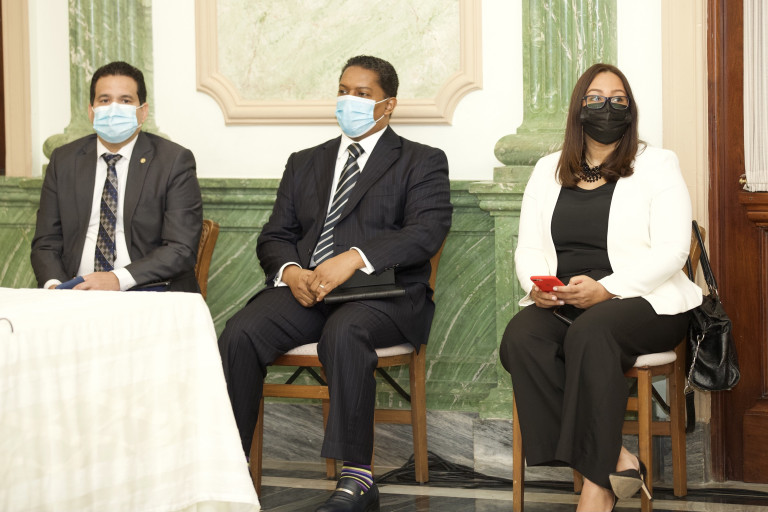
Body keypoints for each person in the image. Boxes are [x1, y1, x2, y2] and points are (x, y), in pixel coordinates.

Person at [218, 55, 452, 512]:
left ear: (388, 104)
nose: (349, 101)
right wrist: (292, 272)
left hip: (383, 294)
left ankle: (357, 477)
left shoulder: (421, 160)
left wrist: (355, 258)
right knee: (240, 332)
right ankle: (228, 466)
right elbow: (275, 235)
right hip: (308, 291)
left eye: (363, 94)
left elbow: (426, 232)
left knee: (344, 332)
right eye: (344, 91)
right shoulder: (305, 162)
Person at [498, 63, 702, 512]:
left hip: (646, 300)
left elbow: (672, 250)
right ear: (578, 108)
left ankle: (598, 486)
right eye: (595, 98)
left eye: (618, 99)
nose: (606, 107)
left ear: (630, 110)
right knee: (521, 338)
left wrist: (607, 289)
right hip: (567, 299)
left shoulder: (657, 164)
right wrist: (538, 287)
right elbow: (528, 247)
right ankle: (616, 459)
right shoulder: (548, 169)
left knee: (591, 332)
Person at [31, 61, 203, 293]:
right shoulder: (63, 160)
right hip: (75, 293)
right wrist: (56, 287)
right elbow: (46, 243)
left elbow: (180, 248)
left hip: (149, 290)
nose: (113, 108)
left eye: (125, 100)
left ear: (143, 111)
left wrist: (116, 279)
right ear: (91, 111)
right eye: (104, 100)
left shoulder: (173, 161)